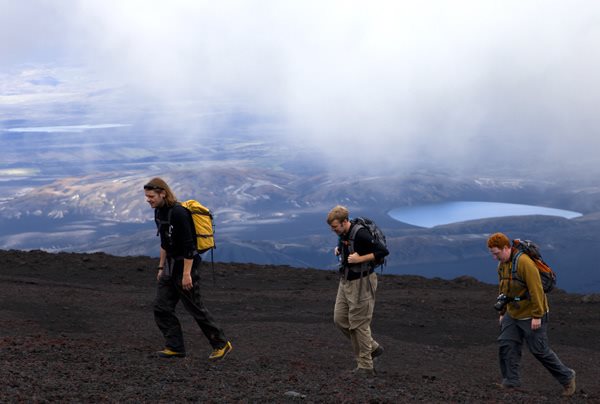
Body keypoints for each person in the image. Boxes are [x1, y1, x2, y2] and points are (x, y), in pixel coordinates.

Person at [144, 177, 232, 360]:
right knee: (162, 307)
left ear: (163, 193)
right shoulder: (159, 212)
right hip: (170, 265)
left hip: (185, 266)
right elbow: (164, 243)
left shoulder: (178, 213)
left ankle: (221, 344)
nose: (148, 200)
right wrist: (161, 267)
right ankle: (175, 348)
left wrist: (186, 275)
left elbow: (189, 247)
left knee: (195, 307)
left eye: (151, 196)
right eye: (147, 196)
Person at [487, 232, 576, 397]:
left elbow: (537, 290)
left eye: (496, 253)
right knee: (507, 345)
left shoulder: (524, 263)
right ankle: (510, 382)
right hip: (512, 313)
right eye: (492, 254)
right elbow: (503, 289)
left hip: (532, 313)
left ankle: (567, 377)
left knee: (539, 350)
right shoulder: (502, 265)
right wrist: (502, 311)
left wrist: (537, 315)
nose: (494, 257)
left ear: (506, 248)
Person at [326, 205, 389, 376]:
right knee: (340, 319)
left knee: (359, 325)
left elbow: (383, 251)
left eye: (335, 227)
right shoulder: (344, 233)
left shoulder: (361, 233)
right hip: (346, 281)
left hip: (362, 282)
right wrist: (339, 248)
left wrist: (360, 258)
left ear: (345, 221)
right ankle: (373, 348)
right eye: (332, 228)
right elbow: (345, 243)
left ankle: (365, 367)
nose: (334, 231)